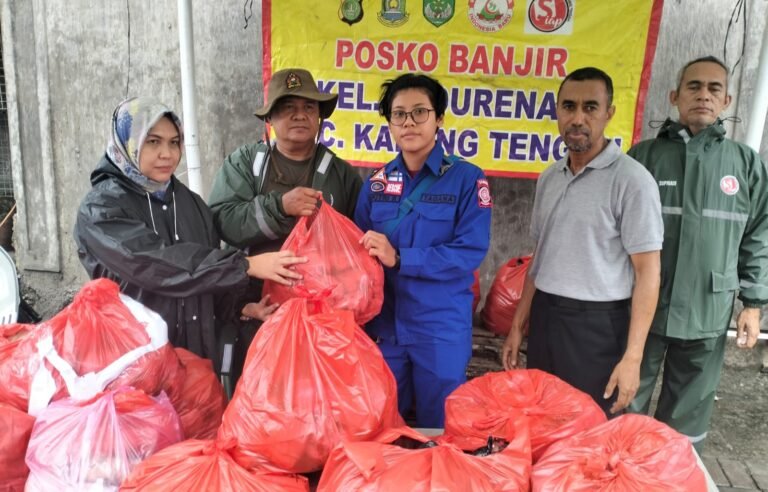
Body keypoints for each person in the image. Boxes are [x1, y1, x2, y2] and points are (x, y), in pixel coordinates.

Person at [74, 97, 306, 372]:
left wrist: (239, 307)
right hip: (129, 362)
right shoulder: (101, 209)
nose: (167, 153)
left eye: (174, 142)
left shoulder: (192, 205)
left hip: (193, 360)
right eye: (153, 141)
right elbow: (154, 264)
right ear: (127, 144)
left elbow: (204, 274)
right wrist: (245, 265)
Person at [501, 67, 664, 417]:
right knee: (543, 419)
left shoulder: (632, 181)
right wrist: (518, 326)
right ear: (557, 111)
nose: (577, 118)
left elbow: (648, 272)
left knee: (589, 430)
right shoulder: (550, 178)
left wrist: (633, 357)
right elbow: (539, 256)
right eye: (568, 106)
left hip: (599, 328)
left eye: (590, 107)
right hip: (547, 318)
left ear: (609, 114)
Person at [627, 56, 768, 451]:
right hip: (644, 308)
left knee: (685, 422)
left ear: (727, 100)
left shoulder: (745, 165)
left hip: (709, 309)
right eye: (694, 86)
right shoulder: (643, 157)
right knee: (624, 400)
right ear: (674, 96)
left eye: (714, 88)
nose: (703, 95)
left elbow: (758, 236)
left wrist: (753, 304)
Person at [355, 73, 492, 428]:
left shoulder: (467, 179)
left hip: (439, 329)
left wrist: (401, 258)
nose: (409, 122)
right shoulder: (377, 183)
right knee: (383, 428)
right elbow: (358, 257)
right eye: (398, 114)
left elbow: (469, 252)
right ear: (389, 123)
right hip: (386, 330)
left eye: (419, 112)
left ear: (439, 119)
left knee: (439, 429)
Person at [208, 68, 362, 379]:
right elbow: (222, 221)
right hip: (257, 310)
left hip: (321, 318)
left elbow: (354, 249)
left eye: (309, 108)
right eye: (287, 107)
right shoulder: (245, 164)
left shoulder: (341, 174)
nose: (299, 116)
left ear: (320, 117)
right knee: (259, 400)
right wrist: (280, 207)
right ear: (270, 119)